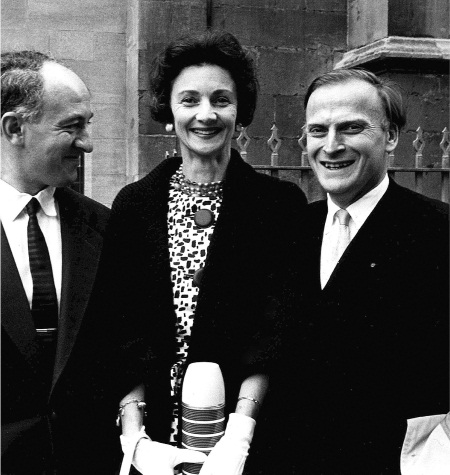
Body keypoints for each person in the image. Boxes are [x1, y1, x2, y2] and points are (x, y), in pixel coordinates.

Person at [75, 30, 307, 474]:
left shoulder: (278, 205)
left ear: (239, 111)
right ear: (169, 110)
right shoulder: (135, 204)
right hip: (155, 438)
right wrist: (135, 439)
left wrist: (239, 436)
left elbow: (277, 331)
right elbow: (118, 327)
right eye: (189, 100)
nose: (206, 114)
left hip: (249, 437)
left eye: (221, 100)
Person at [273, 68, 449, 474]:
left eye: (351, 128)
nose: (331, 146)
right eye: (318, 131)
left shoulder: (439, 231)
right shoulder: (289, 230)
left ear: (391, 136)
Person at [1, 51, 111, 474]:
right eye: (71, 126)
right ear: (15, 128)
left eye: (87, 124)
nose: (87, 142)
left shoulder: (103, 227)